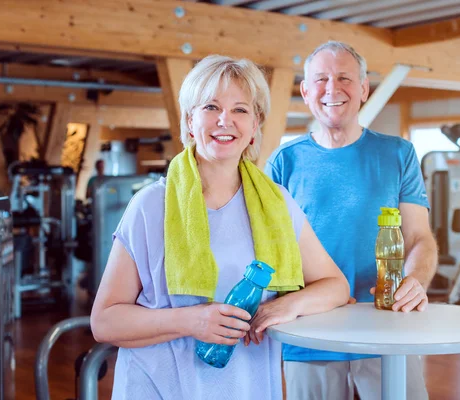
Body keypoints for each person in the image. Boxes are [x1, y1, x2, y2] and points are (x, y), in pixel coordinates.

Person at [90, 55, 349, 399]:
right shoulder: (151, 205)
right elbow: (104, 322)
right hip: (158, 388)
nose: (225, 120)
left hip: (247, 387)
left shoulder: (277, 204)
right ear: (189, 120)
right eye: (211, 106)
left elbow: (335, 286)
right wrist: (192, 320)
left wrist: (286, 305)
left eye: (240, 110)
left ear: (255, 123)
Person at [265, 41, 438, 400]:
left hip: (387, 324)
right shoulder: (284, 162)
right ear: (306, 91)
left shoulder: (398, 153)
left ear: (363, 89)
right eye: (321, 79)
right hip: (309, 333)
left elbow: (420, 237)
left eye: (344, 77)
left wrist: (416, 280)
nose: (332, 89)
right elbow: (268, 249)